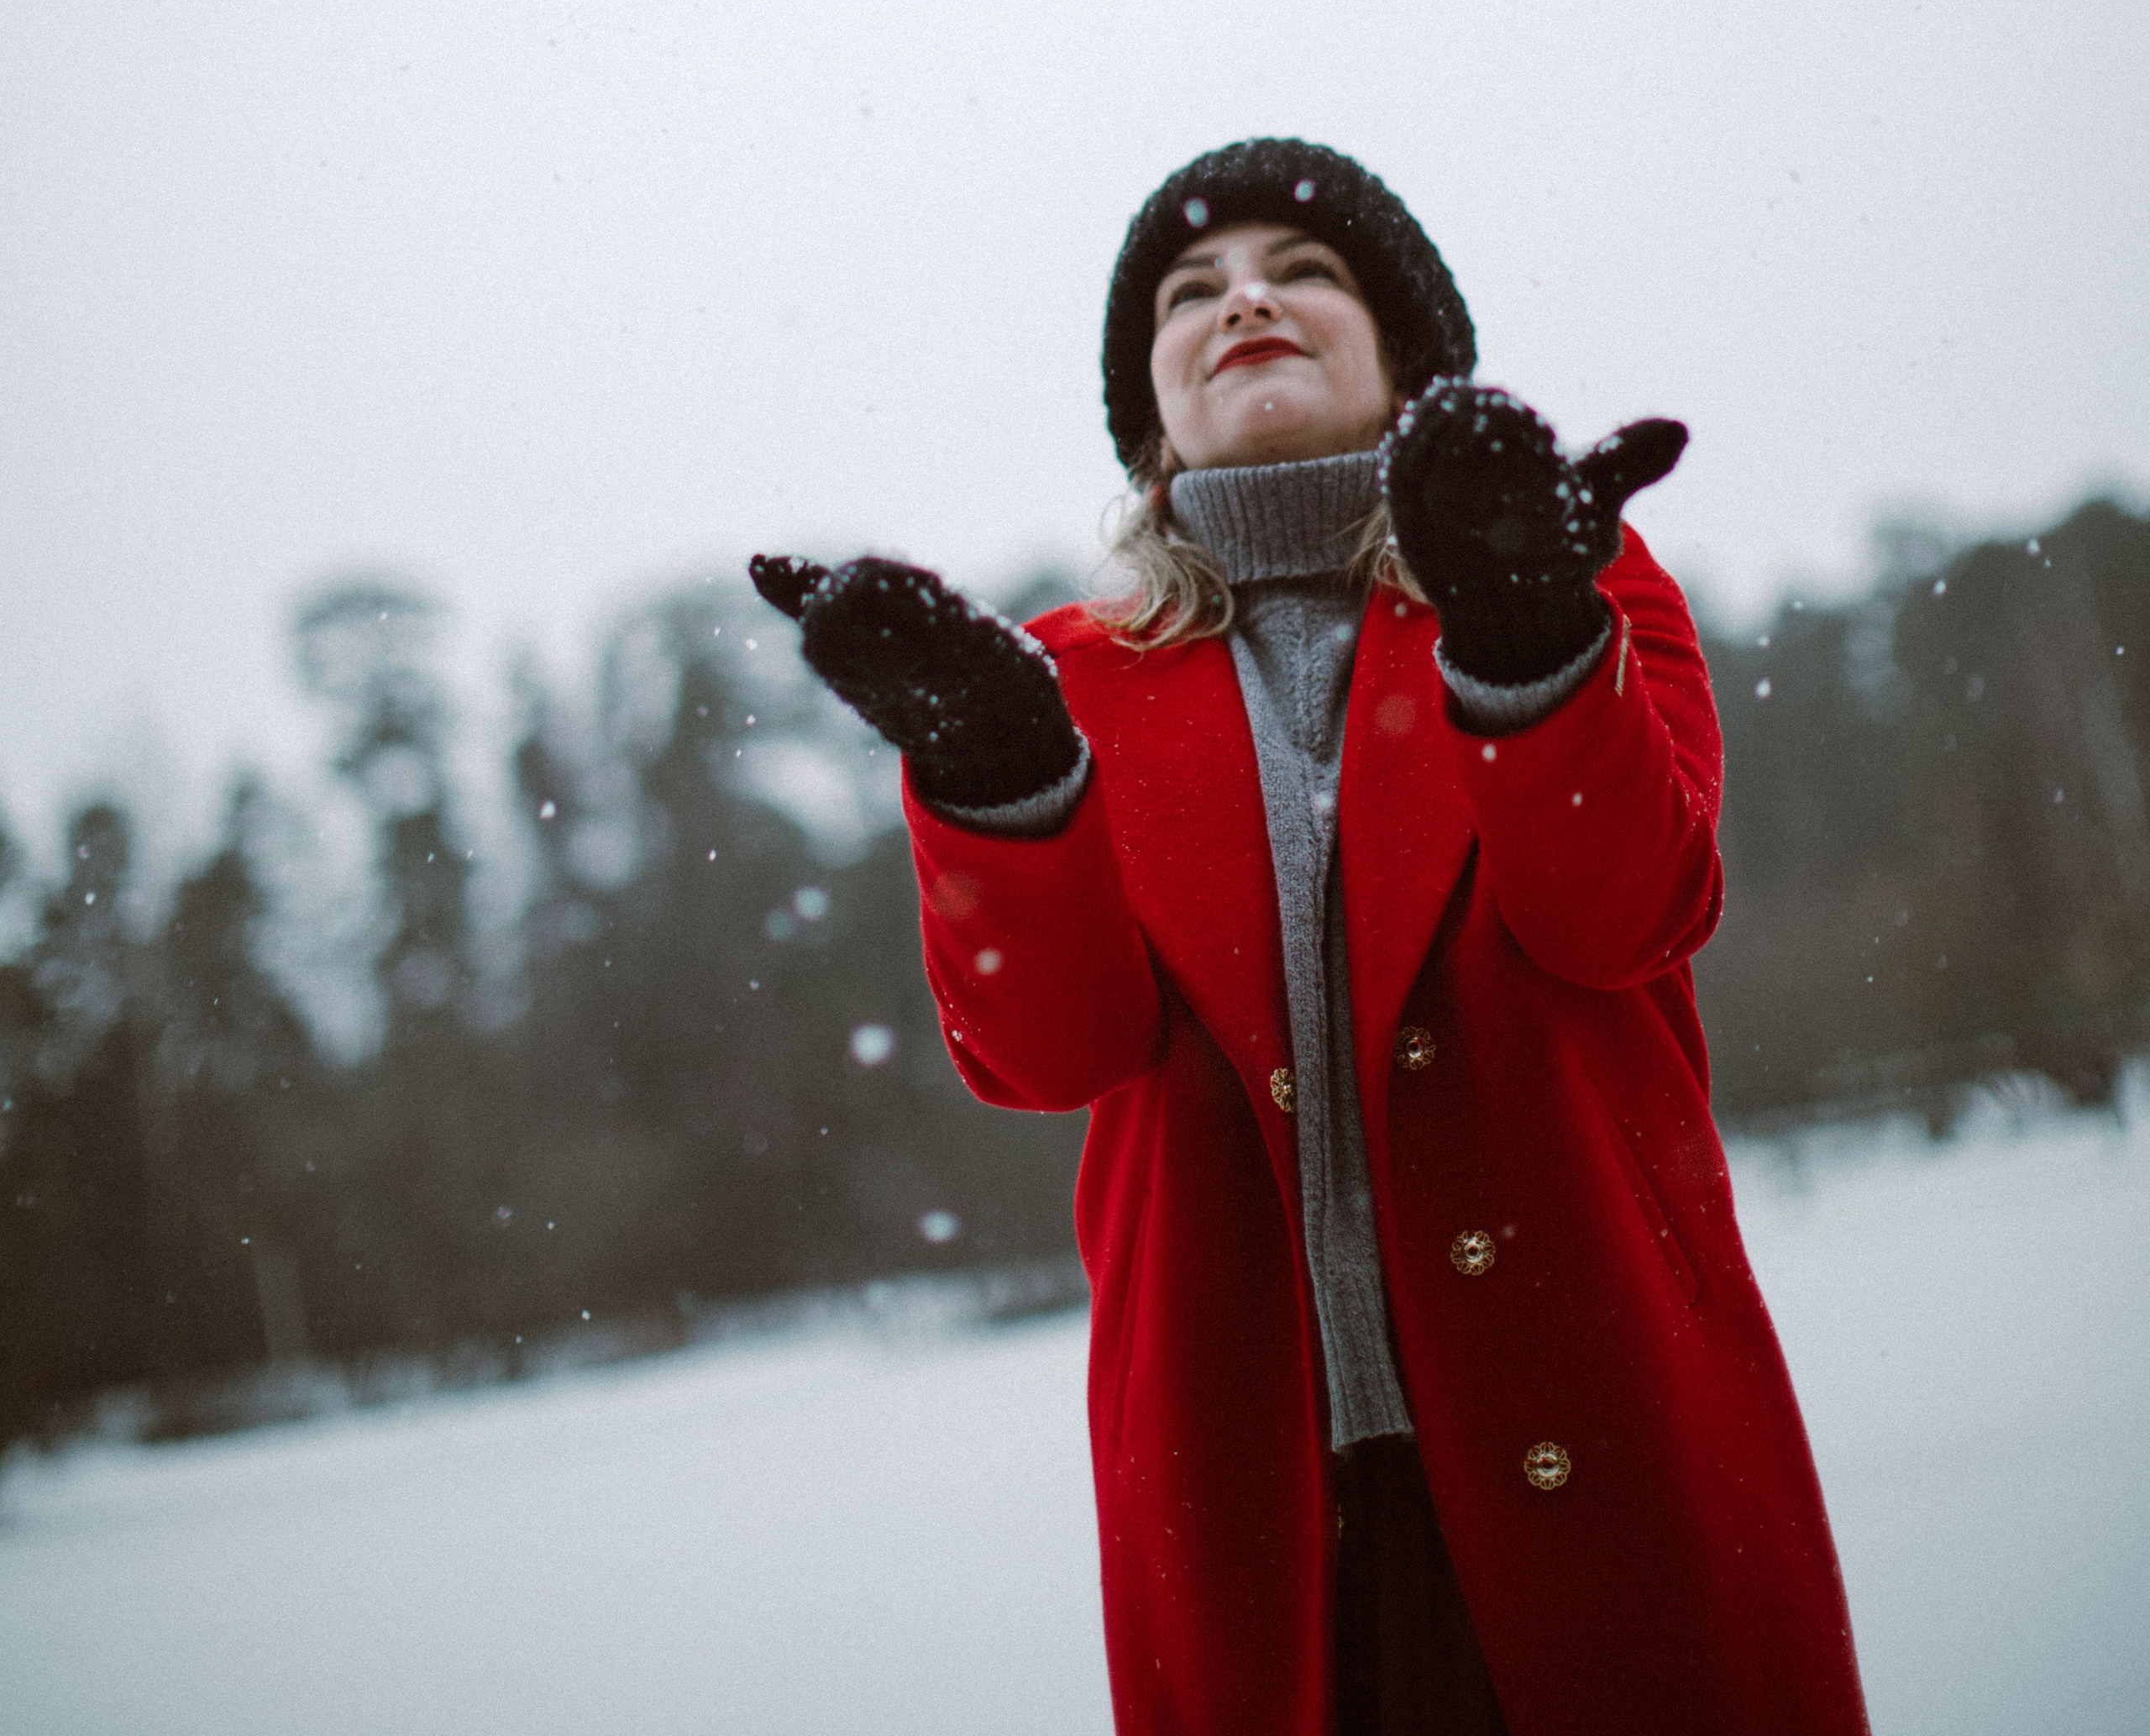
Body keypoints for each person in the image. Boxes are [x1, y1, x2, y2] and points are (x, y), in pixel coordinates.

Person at [751, 138, 1869, 1736]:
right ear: (1152, 421)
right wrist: (1001, 782)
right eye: (1190, 294)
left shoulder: (1584, 580)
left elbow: (1627, 914)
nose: (1245, 299)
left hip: (1614, 1445)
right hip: (1259, 1531)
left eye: (1306, 270)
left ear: (1409, 357)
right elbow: (1043, 1053)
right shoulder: (1066, 676)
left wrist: (1531, 634)